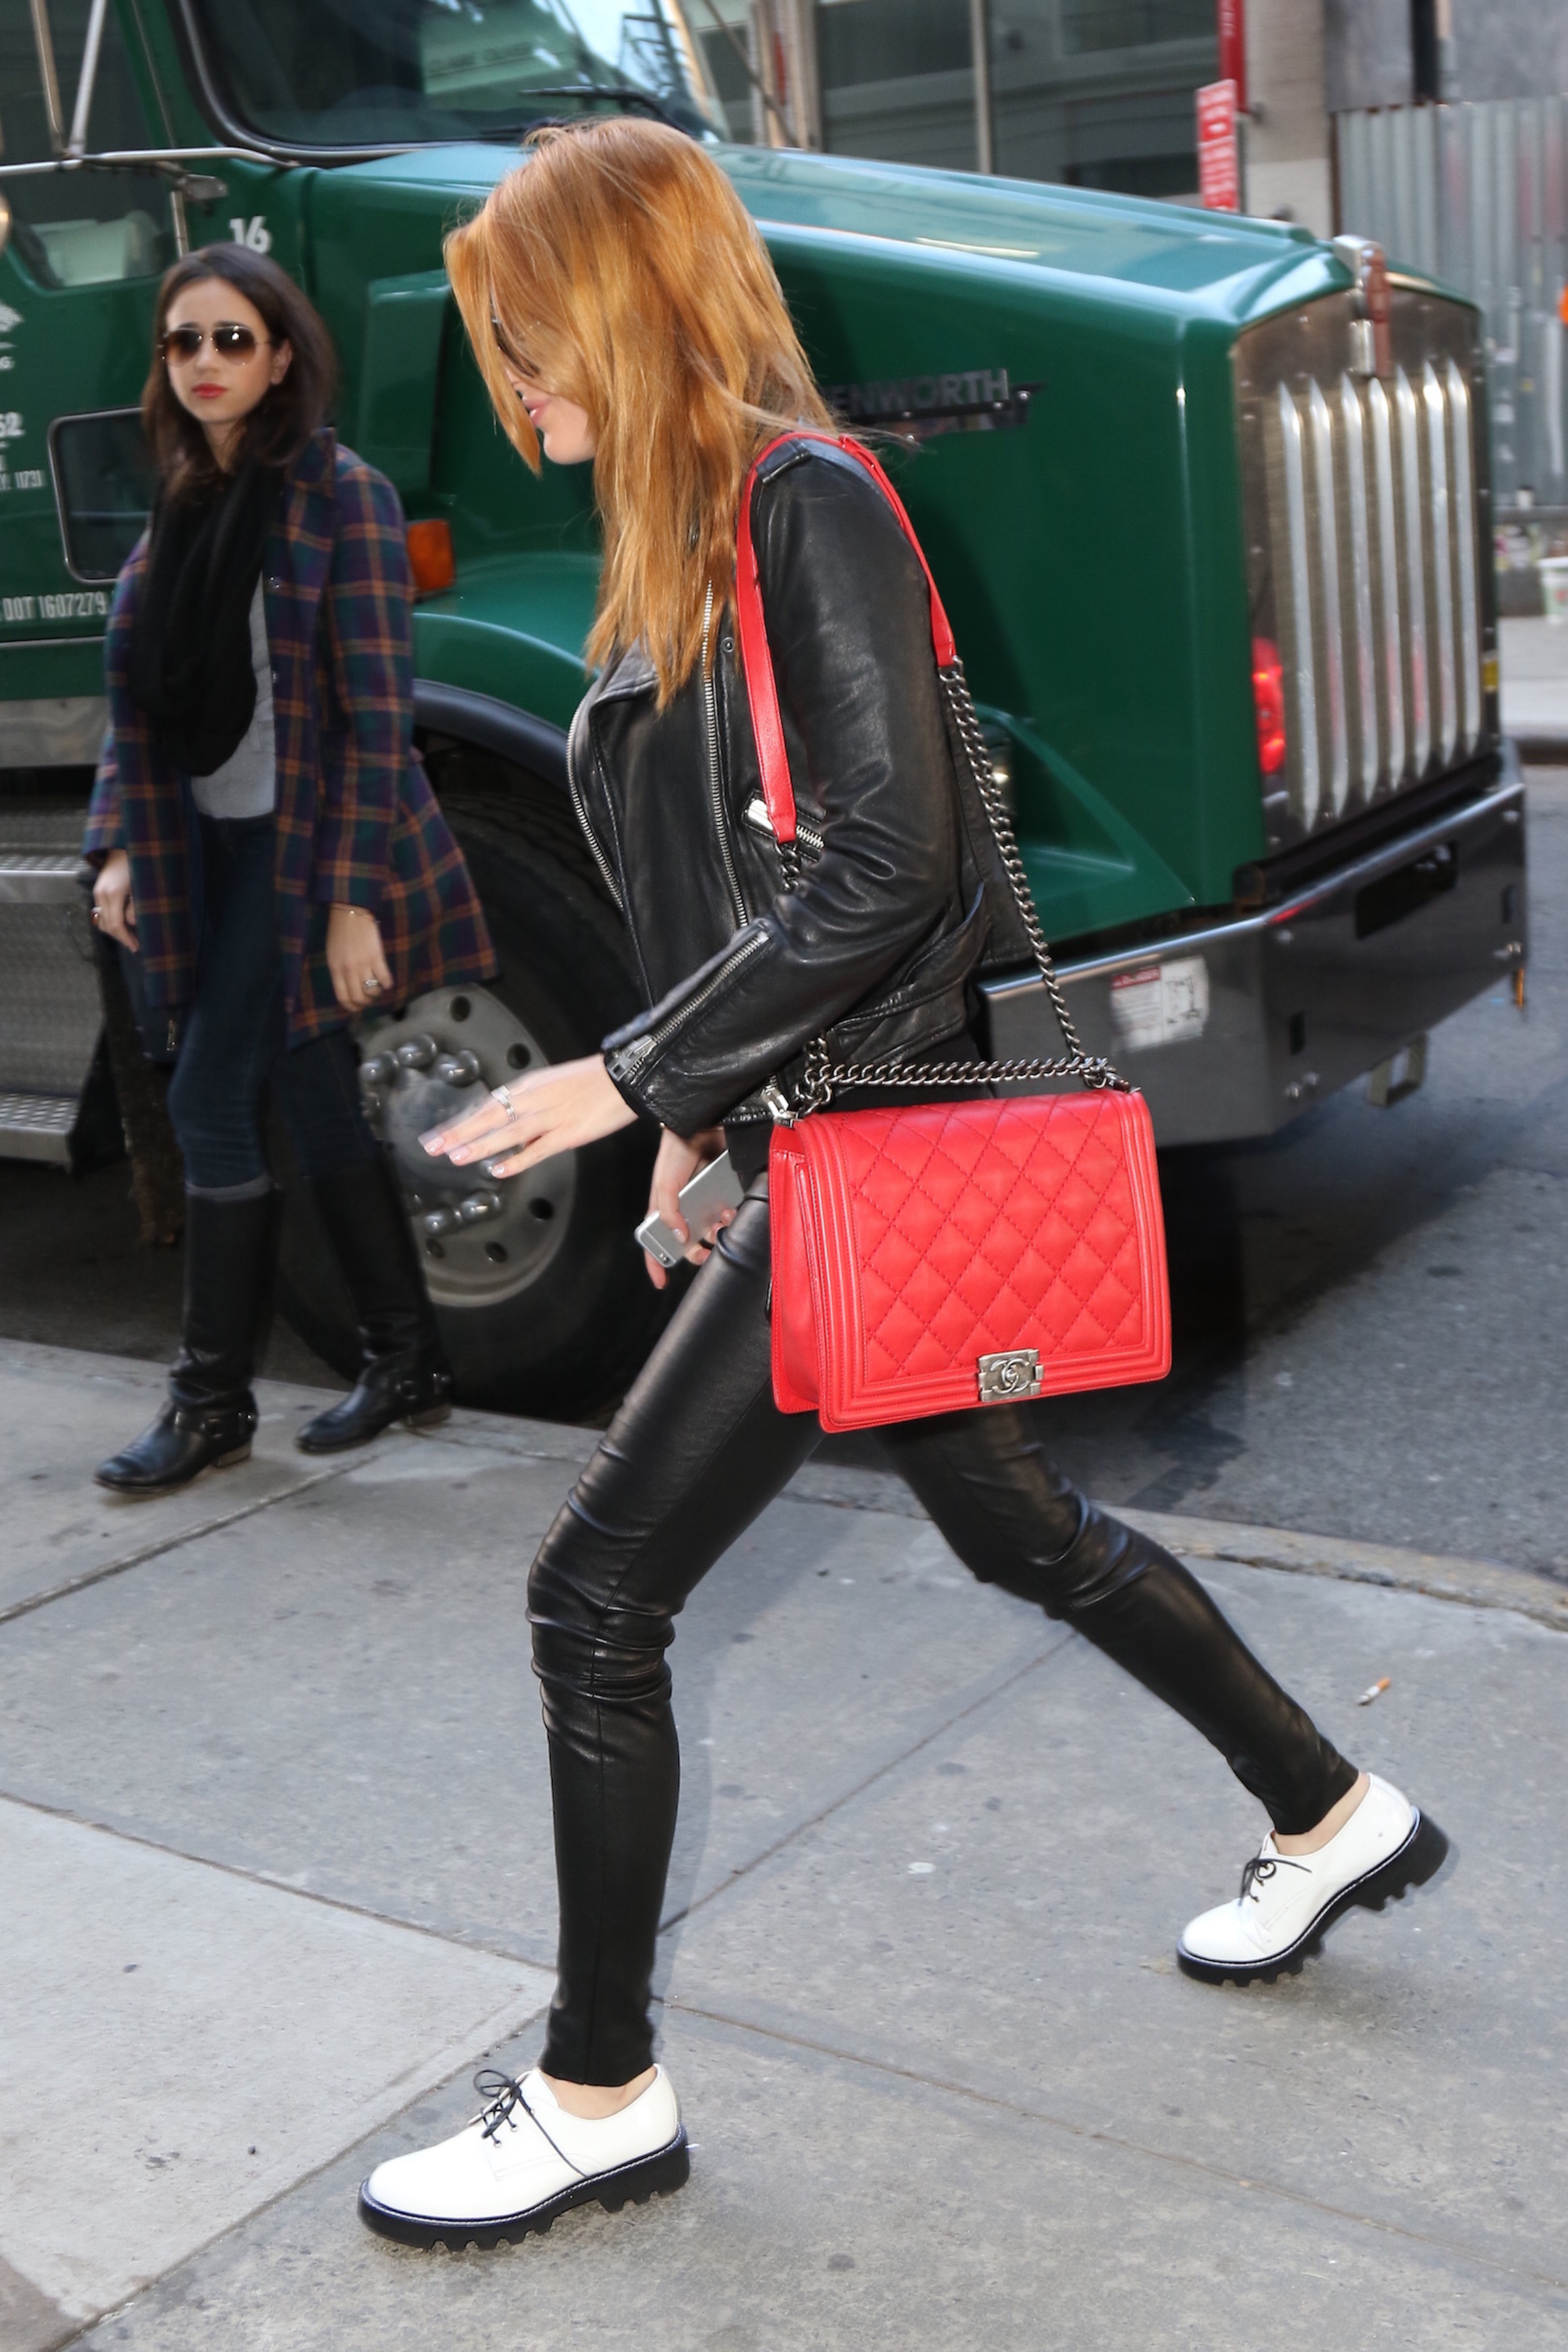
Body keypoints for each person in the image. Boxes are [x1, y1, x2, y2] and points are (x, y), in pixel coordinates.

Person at [356, 122, 1450, 2251]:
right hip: (816, 1131)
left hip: (878, 1139)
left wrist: (630, 1077)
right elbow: (744, 874)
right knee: (1016, 1526)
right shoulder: (690, 533)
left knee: (593, 1598)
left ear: (621, 310)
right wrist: (699, 1128)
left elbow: (889, 866)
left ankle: (598, 2093)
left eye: (531, 339)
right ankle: (1330, 1810)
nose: (516, 388)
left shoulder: (807, 501)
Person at [86, 246, 496, 1493]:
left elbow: (378, 714)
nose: (205, 361)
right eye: (183, 341)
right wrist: (115, 843)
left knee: (210, 1100)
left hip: (303, 839)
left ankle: (211, 1402)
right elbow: (137, 701)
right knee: (310, 1086)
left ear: (280, 358)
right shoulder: (181, 499)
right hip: (197, 838)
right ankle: (408, 1359)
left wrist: (350, 898)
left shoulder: (342, 495)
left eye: (232, 339)